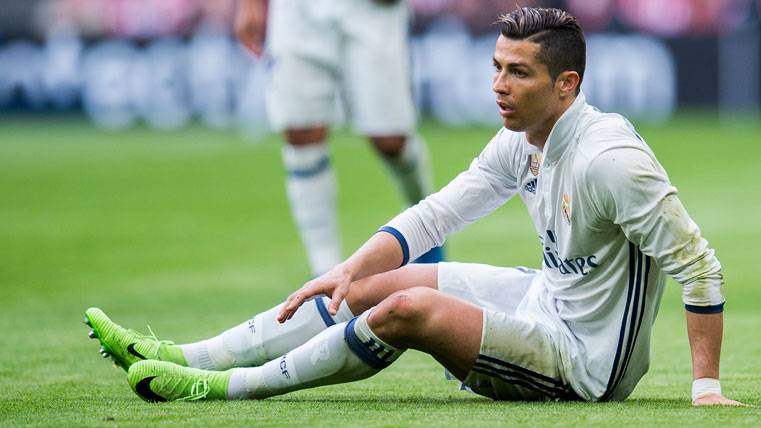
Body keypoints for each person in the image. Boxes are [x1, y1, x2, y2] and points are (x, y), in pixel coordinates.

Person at [85, 7, 742, 405]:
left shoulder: (608, 160)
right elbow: (436, 215)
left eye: (518, 73)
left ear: (565, 85)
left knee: (407, 311)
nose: (497, 86)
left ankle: (219, 389)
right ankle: (186, 354)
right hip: (542, 299)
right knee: (372, 284)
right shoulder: (523, 139)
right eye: (495, 66)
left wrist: (704, 387)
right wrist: (348, 270)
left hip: (584, 365)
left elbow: (700, 266)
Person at [235, 0, 443, 277]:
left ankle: (427, 223)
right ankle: (323, 272)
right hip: (296, 10)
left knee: (390, 140)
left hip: (370, 9)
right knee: (300, 130)